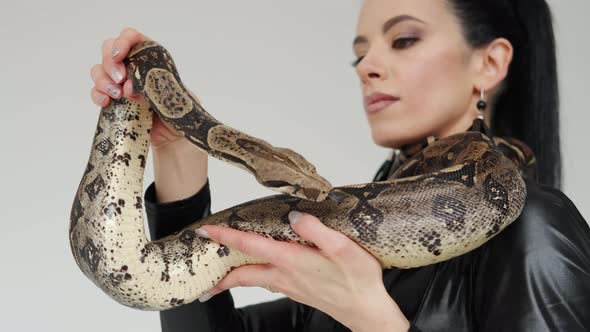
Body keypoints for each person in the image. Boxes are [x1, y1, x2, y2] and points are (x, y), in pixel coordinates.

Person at [89, 0, 590, 330]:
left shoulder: (534, 227)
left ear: (490, 64)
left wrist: (373, 320)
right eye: (359, 54)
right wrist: (179, 154)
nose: (369, 66)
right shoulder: (344, 248)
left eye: (404, 39)